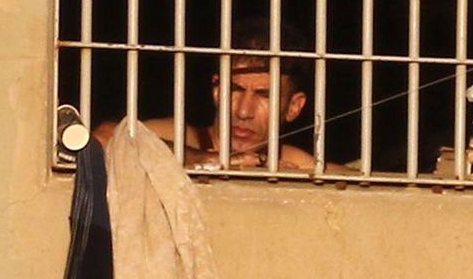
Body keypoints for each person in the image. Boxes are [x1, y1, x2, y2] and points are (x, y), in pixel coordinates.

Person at [100, 19, 321, 173]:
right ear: (217, 90)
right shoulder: (188, 138)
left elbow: (341, 179)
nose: (244, 111)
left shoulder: (289, 160)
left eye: (263, 95)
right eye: (235, 89)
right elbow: (105, 138)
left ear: (294, 106)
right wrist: (203, 158)